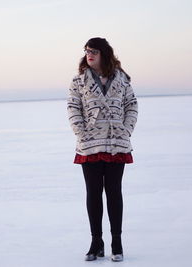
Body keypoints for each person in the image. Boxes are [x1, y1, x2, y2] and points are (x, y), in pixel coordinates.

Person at [67, 37, 138, 262]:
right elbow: (72, 108)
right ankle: (96, 242)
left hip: (116, 143)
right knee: (93, 193)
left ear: (105, 54)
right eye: (87, 51)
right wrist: (81, 132)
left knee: (114, 193)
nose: (90, 54)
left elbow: (132, 105)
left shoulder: (123, 80)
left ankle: (117, 242)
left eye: (95, 51)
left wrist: (125, 130)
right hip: (90, 145)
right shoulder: (78, 81)